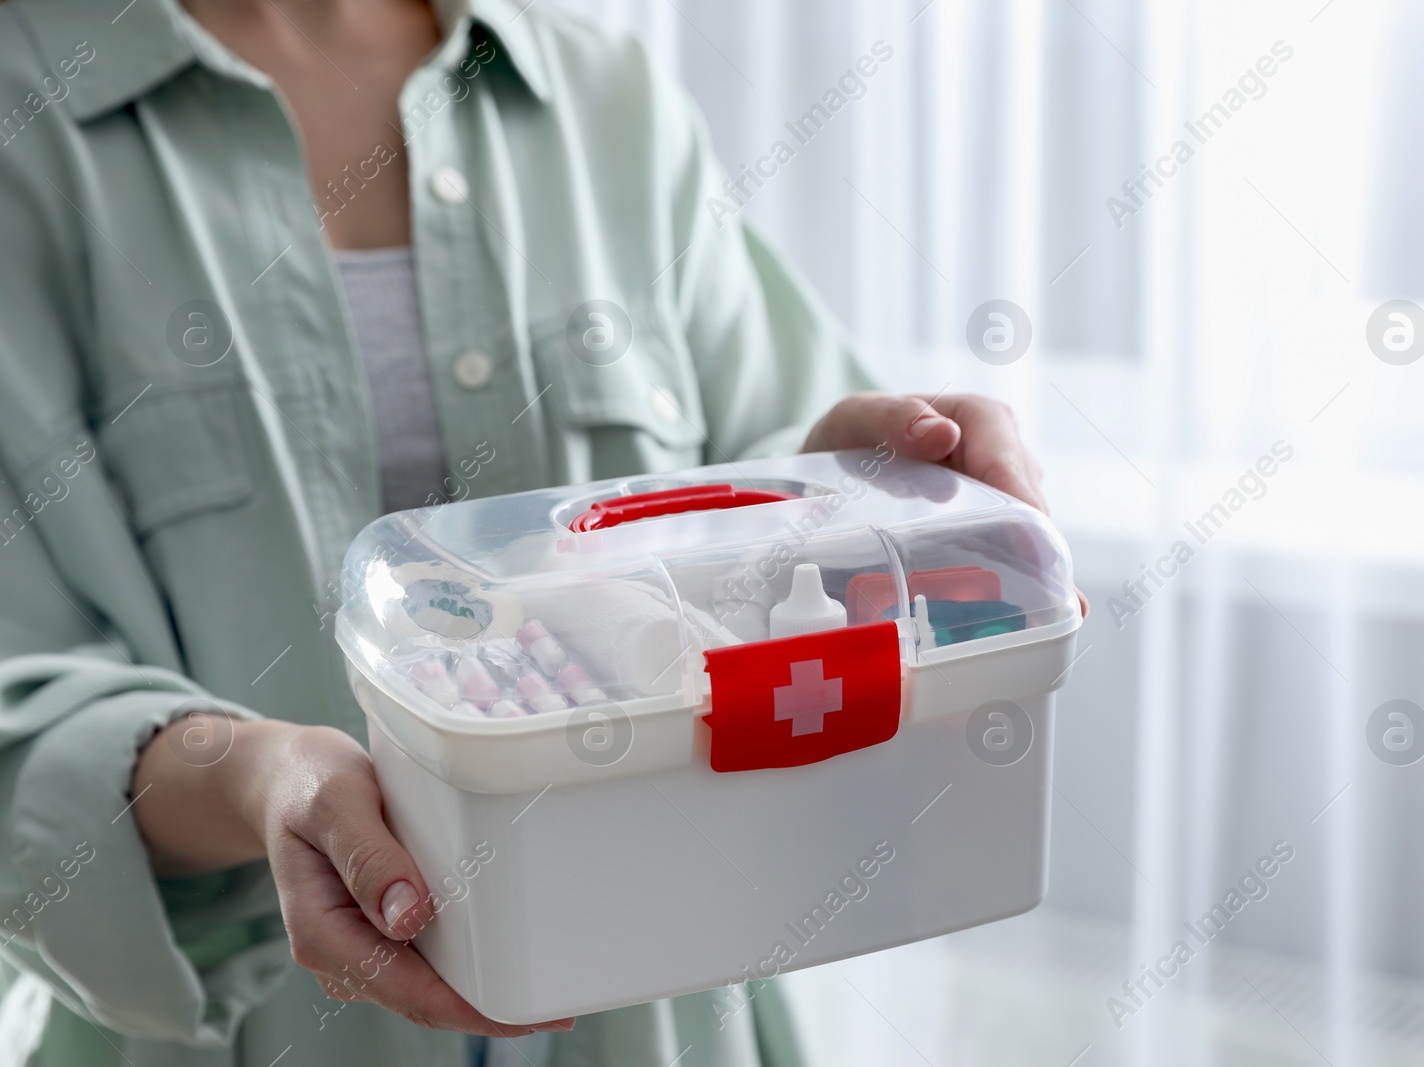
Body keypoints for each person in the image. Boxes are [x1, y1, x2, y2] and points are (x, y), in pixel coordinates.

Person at [0, 0, 1058, 1062]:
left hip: (666, 1006)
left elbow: (764, 456)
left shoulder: (605, 96)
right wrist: (254, 775)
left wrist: (827, 484)